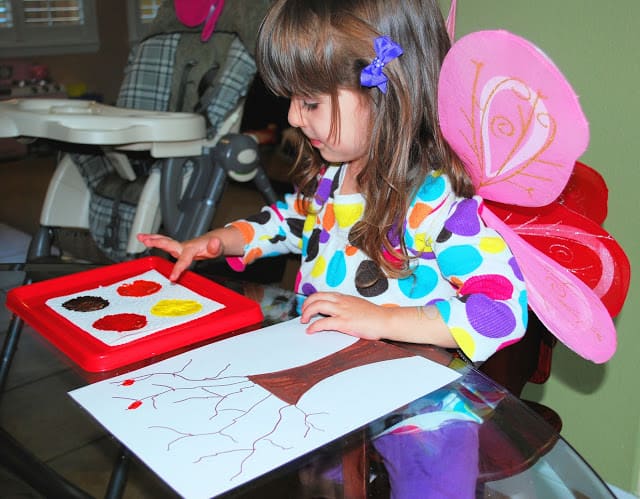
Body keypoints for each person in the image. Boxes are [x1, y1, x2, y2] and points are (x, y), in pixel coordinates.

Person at [138, 0, 527, 364]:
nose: (292, 118)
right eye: (291, 100)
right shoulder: (334, 176)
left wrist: (382, 320)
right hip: (328, 376)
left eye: (310, 103)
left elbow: (501, 312)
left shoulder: (439, 203)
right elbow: (292, 222)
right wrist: (221, 241)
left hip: (406, 405)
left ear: (384, 95)